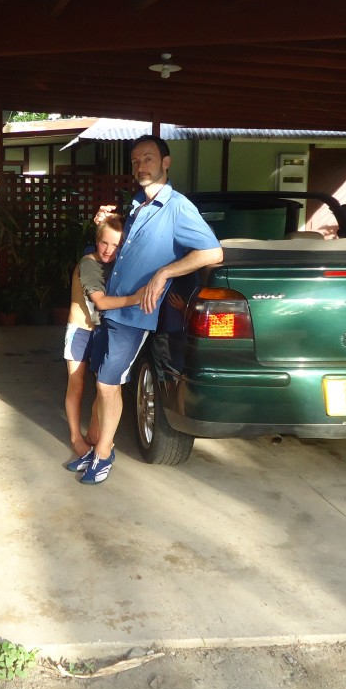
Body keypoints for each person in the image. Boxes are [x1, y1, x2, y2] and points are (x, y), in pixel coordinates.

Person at [75, 134, 224, 485]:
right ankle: (96, 446)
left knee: (109, 386)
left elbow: (212, 253)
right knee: (102, 382)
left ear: (166, 163)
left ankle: (103, 454)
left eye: (149, 158)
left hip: (133, 316)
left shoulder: (177, 207)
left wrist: (164, 273)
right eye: (136, 161)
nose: (141, 166)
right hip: (111, 312)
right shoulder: (139, 204)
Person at [62, 215, 143, 466]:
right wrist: (138, 298)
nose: (108, 250)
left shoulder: (115, 265)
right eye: (104, 243)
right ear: (97, 241)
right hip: (79, 331)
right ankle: (77, 439)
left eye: (115, 245)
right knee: (76, 385)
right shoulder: (89, 264)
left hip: (100, 331)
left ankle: (95, 438)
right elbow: (101, 302)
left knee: (102, 386)